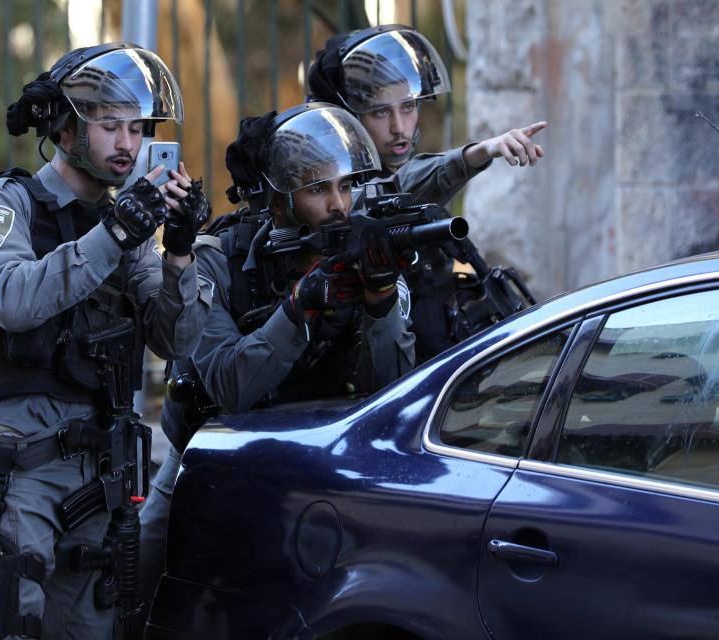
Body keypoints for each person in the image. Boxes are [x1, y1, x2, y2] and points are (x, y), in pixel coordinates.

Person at [0, 43, 211, 640]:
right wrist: (117, 232)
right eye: (111, 126)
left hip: (103, 477)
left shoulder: (129, 226)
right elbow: (14, 301)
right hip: (24, 470)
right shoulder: (4, 205)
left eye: (138, 129)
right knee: (13, 625)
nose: (128, 143)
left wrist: (179, 251)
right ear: (66, 129)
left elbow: (177, 339)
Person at [136, 102, 416, 618]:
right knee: (135, 581)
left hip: (317, 465)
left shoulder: (368, 254)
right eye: (317, 189)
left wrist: (379, 303)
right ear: (281, 201)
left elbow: (393, 394)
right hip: (202, 462)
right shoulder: (217, 258)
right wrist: (299, 306)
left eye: (346, 186)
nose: (339, 205)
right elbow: (228, 387)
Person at [307, 25, 546, 362]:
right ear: (349, 119)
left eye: (407, 106)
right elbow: (401, 188)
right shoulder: (333, 195)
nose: (399, 127)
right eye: (380, 112)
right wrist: (477, 153)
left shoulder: (395, 168)